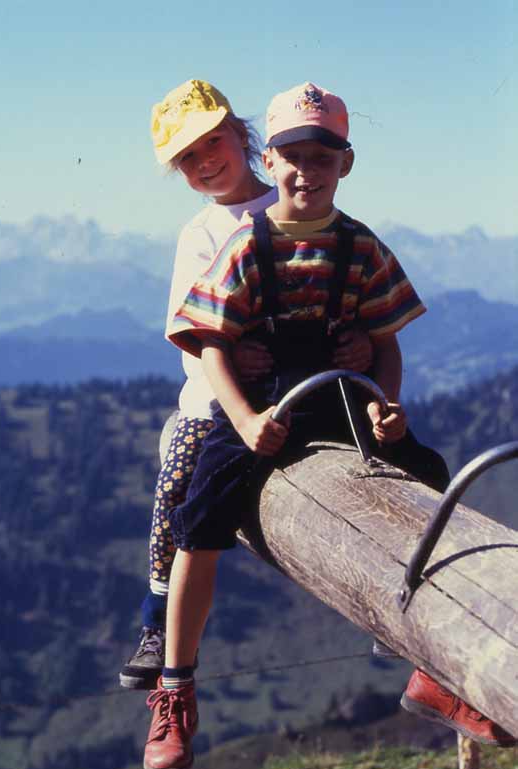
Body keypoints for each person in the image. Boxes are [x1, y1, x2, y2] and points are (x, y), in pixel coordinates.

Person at [142, 81, 516, 769]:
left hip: (336, 398)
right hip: (255, 402)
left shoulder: (359, 246)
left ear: (344, 163)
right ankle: (174, 683)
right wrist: (247, 417)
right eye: (293, 157)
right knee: (201, 515)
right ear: (273, 158)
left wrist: (385, 401)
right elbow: (209, 342)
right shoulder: (239, 244)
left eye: (321, 158)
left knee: (423, 478)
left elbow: (384, 336)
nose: (304, 171)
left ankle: (431, 662)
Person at [119, 79, 373, 691]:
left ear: (244, 135)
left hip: (307, 387)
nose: (205, 161)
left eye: (213, 143)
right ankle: (157, 623)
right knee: (179, 478)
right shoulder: (201, 234)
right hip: (224, 397)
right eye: (188, 158)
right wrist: (231, 356)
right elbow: (188, 333)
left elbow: (346, 293)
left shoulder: (304, 202)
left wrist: (357, 342)